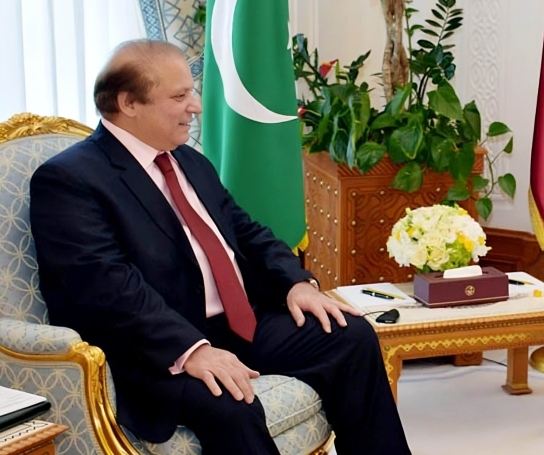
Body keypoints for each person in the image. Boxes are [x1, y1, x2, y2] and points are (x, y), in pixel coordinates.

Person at [29, 39, 412, 455]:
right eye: (179, 96)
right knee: (233, 401)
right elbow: (106, 287)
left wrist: (296, 284)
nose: (196, 106)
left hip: (234, 324)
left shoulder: (189, 161)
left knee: (350, 336)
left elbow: (245, 232)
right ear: (129, 103)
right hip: (153, 349)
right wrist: (190, 349)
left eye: (192, 92)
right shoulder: (70, 179)